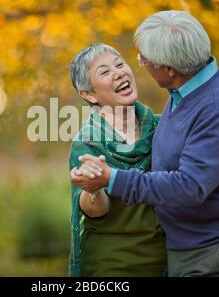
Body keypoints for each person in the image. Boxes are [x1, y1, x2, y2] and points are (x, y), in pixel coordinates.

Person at [71, 11, 219, 277]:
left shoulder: (216, 107)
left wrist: (112, 178)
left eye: (144, 59)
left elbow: (188, 186)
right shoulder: (182, 94)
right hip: (186, 248)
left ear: (169, 69)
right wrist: (95, 187)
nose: (138, 63)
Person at [68, 43, 167, 277]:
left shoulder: (163, 126)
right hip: (111, 266)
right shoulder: (87, 142)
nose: (119, 72)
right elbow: (95, 212)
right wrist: (93, 189)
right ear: (88, 94)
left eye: (120, 64)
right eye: (104, 72)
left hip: (165, 261)